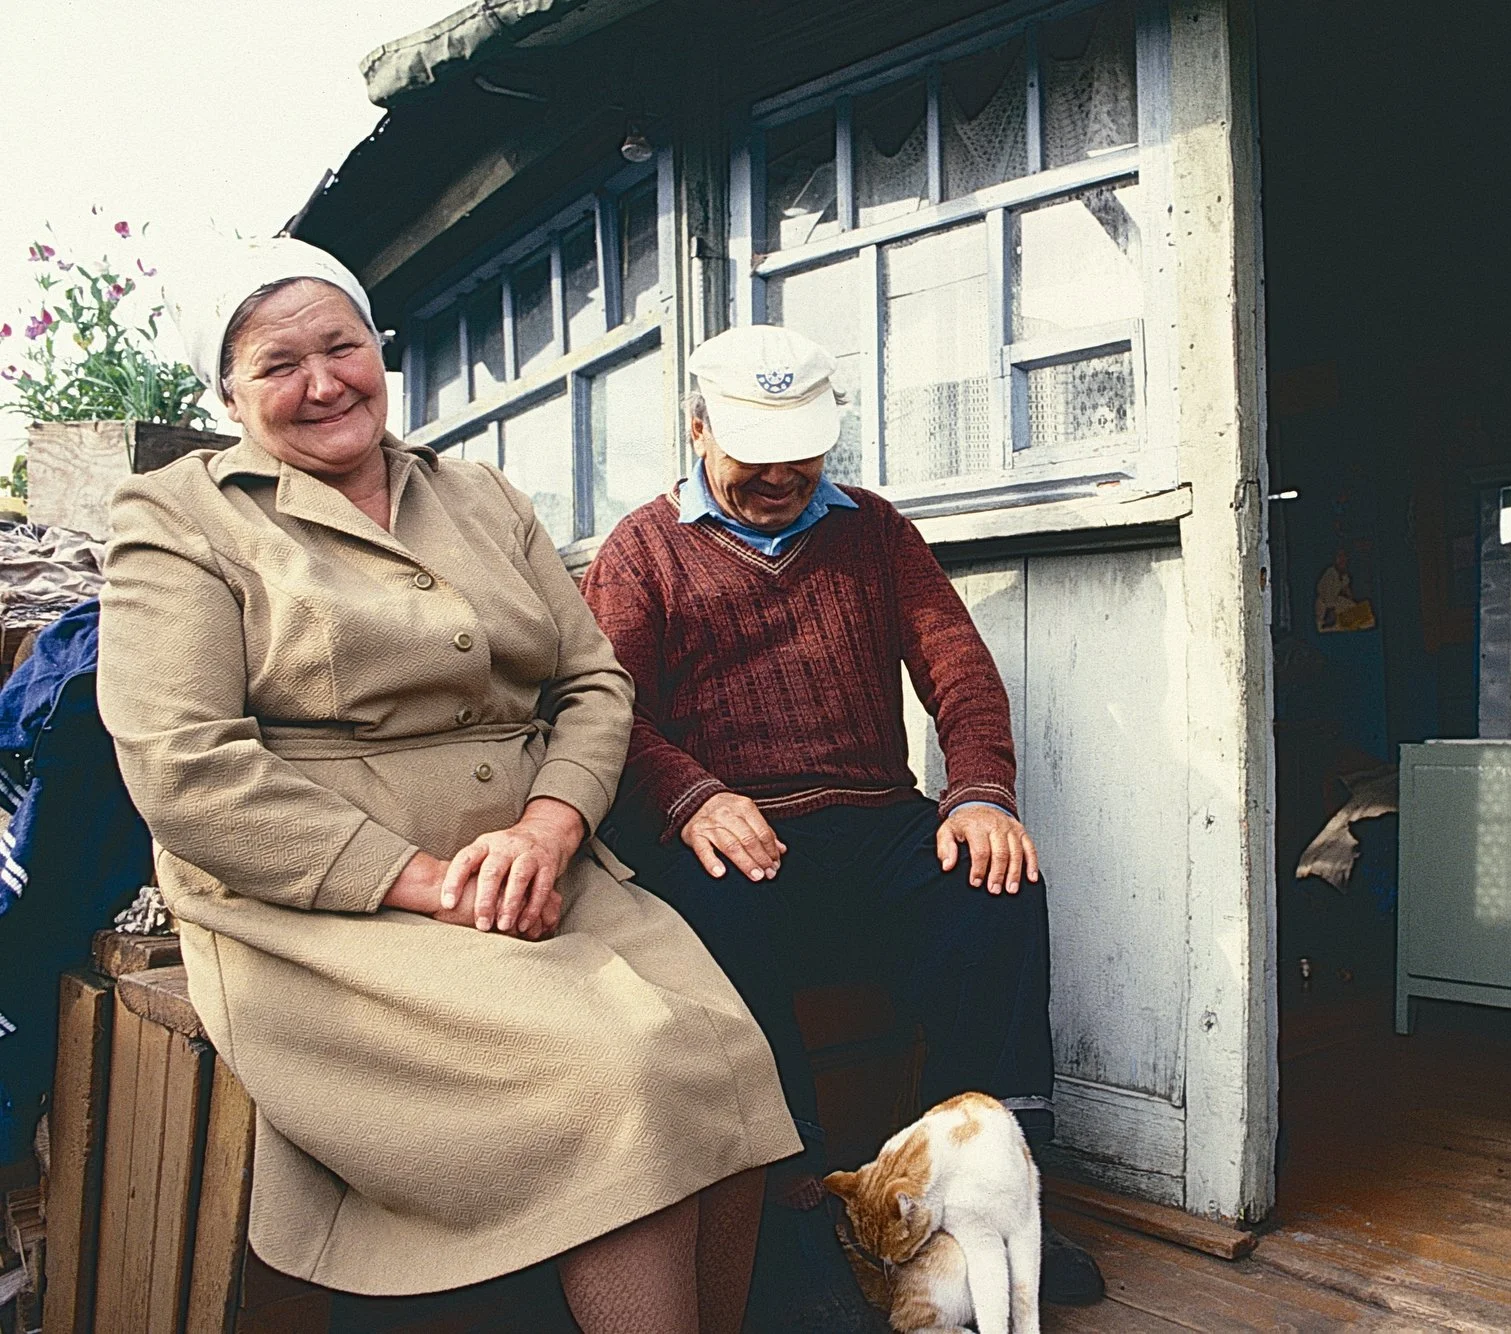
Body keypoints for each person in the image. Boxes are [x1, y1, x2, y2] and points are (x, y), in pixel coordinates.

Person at [96, 238, 799, 1334]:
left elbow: (592, 682)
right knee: (623, 1077)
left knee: (725, 1051)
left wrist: (551, 823)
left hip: (535, 864)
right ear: (225, 391)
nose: (323, 381)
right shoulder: (182, 518)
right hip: (326, 901)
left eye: (343, 345)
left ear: (380, 348)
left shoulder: (476, 493)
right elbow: (183, 768)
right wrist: (423, 880)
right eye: (279, 364)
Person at [581, 324, 1105, 1330]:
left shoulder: (873, 529)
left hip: (869, 816)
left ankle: (986, 1196)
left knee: (993, 884)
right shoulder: (640, 550)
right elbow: (607, 710)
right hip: (731, 832)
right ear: (696, 430)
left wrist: (980, 791)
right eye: (751, 447)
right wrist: (691, 793)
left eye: (801, 447)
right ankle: (797, 1225)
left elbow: (955, 662)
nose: (780, 471)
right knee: (711, 908)